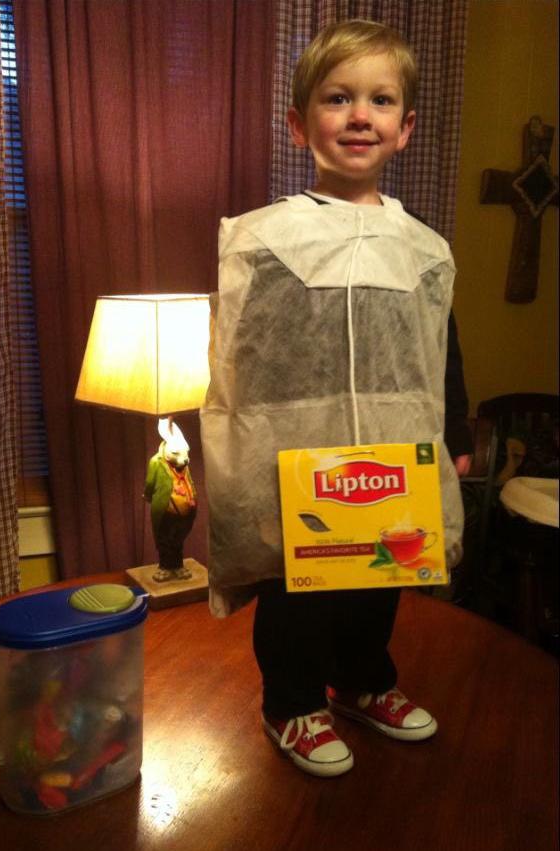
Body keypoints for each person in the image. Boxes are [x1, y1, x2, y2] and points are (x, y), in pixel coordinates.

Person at [200, 19, 473, 778]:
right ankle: (291, 702)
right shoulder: (266, 239)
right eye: (337, 98)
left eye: (380, 100)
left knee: (380, 577)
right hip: (297, 455)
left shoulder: (424, 248)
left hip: (392, 452)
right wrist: (244, 456)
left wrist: (455, 430)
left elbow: (439, 344)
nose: (360, 115)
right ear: (299, 124)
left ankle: (362, 682)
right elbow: (245, 358)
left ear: (405, 128)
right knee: (298, 585)